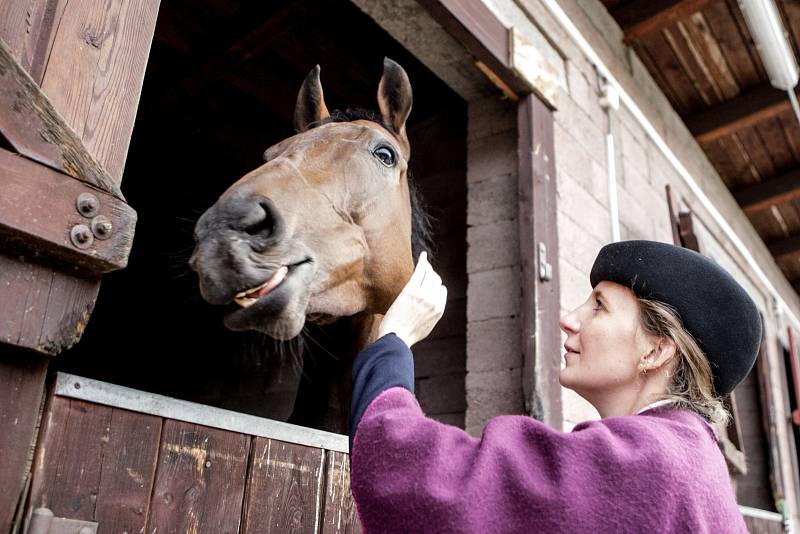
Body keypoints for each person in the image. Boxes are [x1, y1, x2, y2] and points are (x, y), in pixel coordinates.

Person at [348, 241, 762, 533]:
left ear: (656, 351)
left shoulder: (648, 462)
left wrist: (394, 344)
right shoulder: (693, 457)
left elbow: (435, 484)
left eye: (599, 306)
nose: (569, 318)